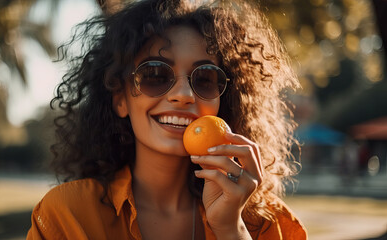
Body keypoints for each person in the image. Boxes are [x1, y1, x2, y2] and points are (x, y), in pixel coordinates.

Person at [27, 0, 307, 239]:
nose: (184, 95)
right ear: (120, 98)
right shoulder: (67, 216)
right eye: (156, 75)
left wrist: (232, 229)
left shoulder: (270, 224)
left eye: (205, 79)